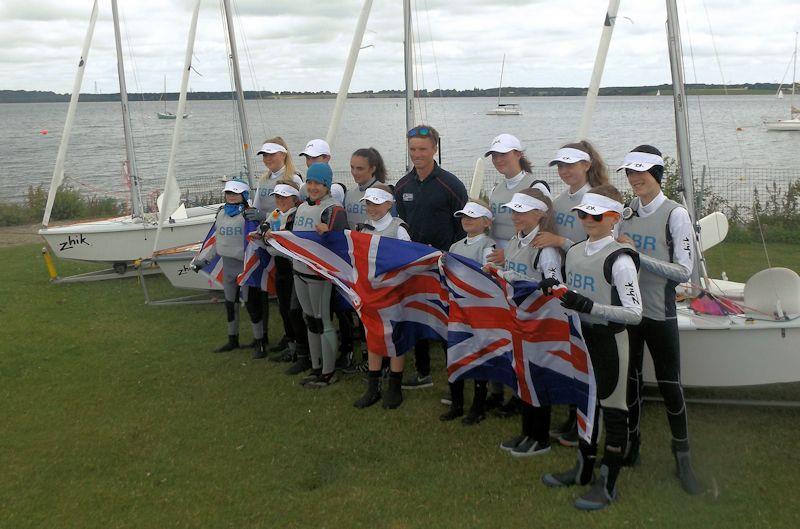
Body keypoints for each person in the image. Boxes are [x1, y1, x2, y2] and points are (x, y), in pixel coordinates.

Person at [540, 185, 642, 511]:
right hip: (582, 338)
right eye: (582, 213)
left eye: (595, 215)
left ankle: (608, 482)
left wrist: (592, 307)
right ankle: (583, 469)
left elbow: (635, 312)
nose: (587, 220)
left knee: (613, 410)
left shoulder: (620, 258)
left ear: (613, 218)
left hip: (611, 339)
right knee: (587, 405)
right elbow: (574, 292)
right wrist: (554, 289)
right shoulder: (574, 251)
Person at [616, 145, 701, 495]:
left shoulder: (675, 214)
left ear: (658, 176)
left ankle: (682, 457)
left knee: (670, 386)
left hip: (660, 312)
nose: (636, 180)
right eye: (630, 174)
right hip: (630, 311)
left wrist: (639, 257)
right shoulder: (626, 211)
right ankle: (632, 446)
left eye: (643, 174)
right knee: (632, 382)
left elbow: (684, 271)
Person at [533, 140, 609, 446]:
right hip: (567, 280)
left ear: (587, 165)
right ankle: (574, 415)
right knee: (574, 353)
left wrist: (558, 241)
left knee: (591, 356)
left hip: (593, 285)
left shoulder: (599, 198)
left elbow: (600, 246)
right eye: (560, 166)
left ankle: (594, 418)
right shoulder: (562, 200)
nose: (565, 171)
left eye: (571, 165)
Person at [487, 187, 563, 456]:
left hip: (540, 322)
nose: (514, 215)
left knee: (538, 378)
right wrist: (498, 272)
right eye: (513, 210)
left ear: (538, 214)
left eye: (521, 211)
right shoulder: (514, 240)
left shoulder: (545, 249)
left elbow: (553, 288)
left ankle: (540, 437)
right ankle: (526, 431)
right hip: (519, 319)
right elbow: (514, 271)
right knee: (523, 376)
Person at [394, 124, 468, 390]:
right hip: (414, 265)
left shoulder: (451, 184)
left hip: (444, 265)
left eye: (423, 149)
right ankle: (423, 371)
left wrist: (450, 254)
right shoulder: (402, 185)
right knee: (416, 315)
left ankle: (455, 378)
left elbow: (463, 225)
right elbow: (400, 222)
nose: (417, 154)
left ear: (434, 149)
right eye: (413, 149)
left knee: (448, 320)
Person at [274, 162, 348, 388]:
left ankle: (328, 372)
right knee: (310, 321)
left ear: (327, 185)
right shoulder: (302, 208)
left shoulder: (333, 208)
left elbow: (341, 233)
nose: (314, 187)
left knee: (322, 319)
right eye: (311, 182)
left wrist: (329, 230)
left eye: (319, 183)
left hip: (319, 274)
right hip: (299, 270)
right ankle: (316, 366)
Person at [191, 180, 267, 359]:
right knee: (229, 304)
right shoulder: (222, 213)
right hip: (228, 265)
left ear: (244, 195)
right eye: (228, 193)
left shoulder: (249, 215)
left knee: (251, 305)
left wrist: (262, 217)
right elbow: (217, 239)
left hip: (244, 266)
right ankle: (233, 339)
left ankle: (260, 342)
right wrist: (203, 260)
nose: (231, 196)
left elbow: (259, 234)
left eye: (235, 193)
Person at [352, 184, 412, 409]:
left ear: (389, 204)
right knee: (373, 337)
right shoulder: (362, 228)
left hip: (393, 294)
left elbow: (408, 261)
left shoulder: (399, 229)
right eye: (368, 203)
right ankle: (373, 386)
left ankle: (395, 386)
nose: (372, 208)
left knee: (395, 338)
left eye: (377, 203)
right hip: (370, 294)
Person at [246, 137, 305, 357]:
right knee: (282, 295)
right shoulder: (264, 180)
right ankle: (289, 337)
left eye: (272, 154)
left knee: (291, 297)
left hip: (288, 247)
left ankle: (297, 342)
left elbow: (299, 209)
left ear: (284, 154)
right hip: (270, 243)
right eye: (265, 155)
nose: (268, 159)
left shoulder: (294, 178)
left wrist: (264, 217)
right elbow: (257, 207)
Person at [440, 200, 496, 425]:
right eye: (464, 216)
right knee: (455, 351)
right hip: (457, 306)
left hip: (477, 309)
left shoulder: (488, 246)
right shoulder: (455, 246)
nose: (466, 220)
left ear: (486, 222)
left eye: (472, 217)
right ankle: (457, 402)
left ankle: (478, 406)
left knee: (478, 354)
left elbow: (487, 277)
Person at [343, 147, 389, 372]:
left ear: (373, 169)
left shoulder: (381, 193)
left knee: (377, 314)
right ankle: (364, 355)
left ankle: (386, 361)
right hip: (355, 261)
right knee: (358, 311)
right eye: (352, 167)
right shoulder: (351, 194)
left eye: (360, 168)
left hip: (375, 264)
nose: (354, 172)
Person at [257, 182, 310, 374]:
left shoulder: (297, 216)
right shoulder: (277, 213)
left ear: (294, 199)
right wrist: (264, 235)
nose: (279, 201)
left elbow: (290, 247)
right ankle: (292, 346)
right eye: (277, 197)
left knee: (295, 311)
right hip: (280, 269)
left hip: (292, 268)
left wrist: (271, 242)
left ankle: (303, 352)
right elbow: (266, 230)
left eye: (284, 197)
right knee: (284, 309)